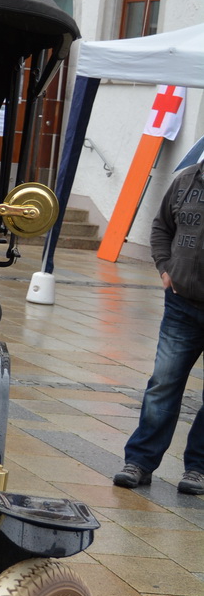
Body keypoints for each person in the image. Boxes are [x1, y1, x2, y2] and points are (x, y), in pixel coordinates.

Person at [113, 159, 204, 496]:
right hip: (181, 305)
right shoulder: (185, 181)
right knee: (163, 384)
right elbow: (161, 227)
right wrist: (165, 268)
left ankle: (199, 468)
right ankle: (139, 461)